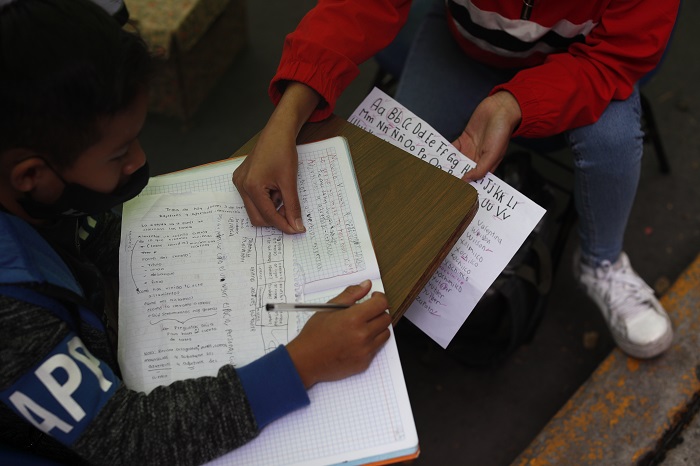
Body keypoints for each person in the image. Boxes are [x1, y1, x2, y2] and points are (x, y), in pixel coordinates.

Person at [0, 1, 391, 464]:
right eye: (119, 153)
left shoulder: (47, 195)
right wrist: (302, 364)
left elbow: (91, 240)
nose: (140, 161)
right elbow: (125, 442)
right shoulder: (13, 321)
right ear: (31, 176)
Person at [232, 0, 680, 359]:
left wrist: (516, 102)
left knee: (614, 141)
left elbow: (617, 57)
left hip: (582, 62)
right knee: (397, 188)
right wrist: (287, 116)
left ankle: (602, 263)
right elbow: (359, 6)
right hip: (465, 48)